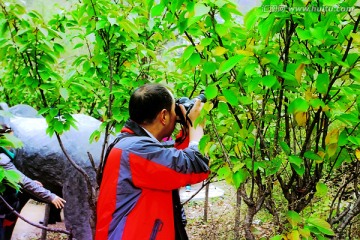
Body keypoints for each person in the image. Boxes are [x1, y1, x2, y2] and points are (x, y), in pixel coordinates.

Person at [96, 83, 210, 240]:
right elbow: (196, 165)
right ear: (163, 116)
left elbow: (173, 168)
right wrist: (196, 123)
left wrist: (186, 126)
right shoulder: (135, 151)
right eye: (173, 109)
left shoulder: (131, 144)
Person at [0, 124, 66, 240]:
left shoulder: (6, 155)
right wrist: (50, 196)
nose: (14, 142)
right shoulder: (2, 159)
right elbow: (23, 180)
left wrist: (32, 181)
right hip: (3, 207)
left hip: (7, 205)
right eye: (11, 138)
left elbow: (13, 176)